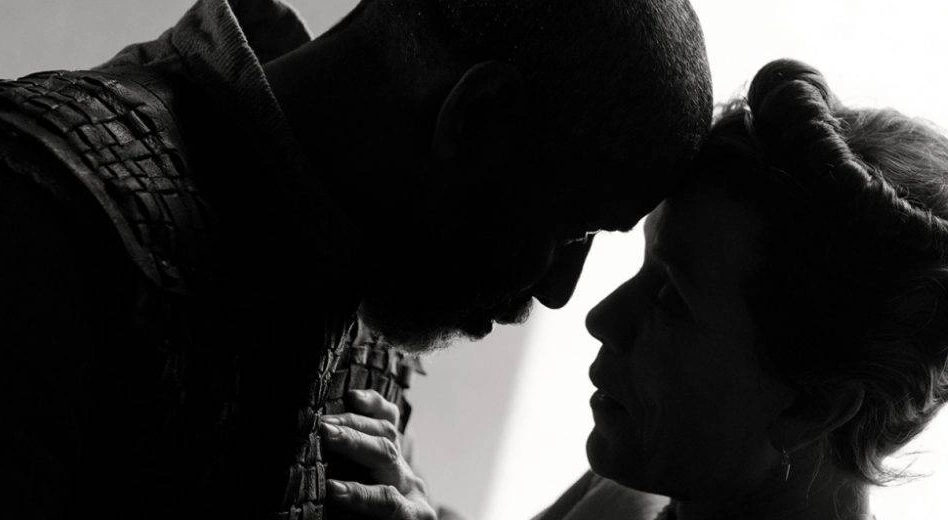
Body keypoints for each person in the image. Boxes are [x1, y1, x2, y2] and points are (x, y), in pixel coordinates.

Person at [0, 0, 712, 518]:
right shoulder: (42, 211)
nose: (559, 293)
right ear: (475, 119)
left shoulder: (359, 278)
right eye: (571, 230)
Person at [326, 59, 948, 520]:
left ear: (811, 408)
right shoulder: (633, 492)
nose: (601, 318)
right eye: (646, 268)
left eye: (672, 299)